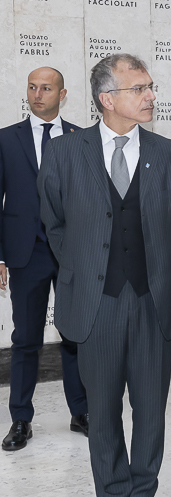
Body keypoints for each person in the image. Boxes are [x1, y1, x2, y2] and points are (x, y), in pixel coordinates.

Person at [38, 54, 171, 497]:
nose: (150, 96)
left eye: (150, 87)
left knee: (150, 407)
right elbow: (55, 224)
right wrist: (87, 269)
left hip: (152, 299)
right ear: (107, 99)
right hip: (93, 303)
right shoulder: (64, 153)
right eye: (139, 88)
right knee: (100, 410)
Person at [0, 67, 87, 451]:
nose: (38, 94)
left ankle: (80, 411)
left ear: (62, 93)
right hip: (25, 252)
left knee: (74, 335)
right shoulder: (5, 140)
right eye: (32, 87)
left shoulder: (82, 139)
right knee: (25, 339)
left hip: (70, 252)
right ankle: (20, 418)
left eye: (46, 88)